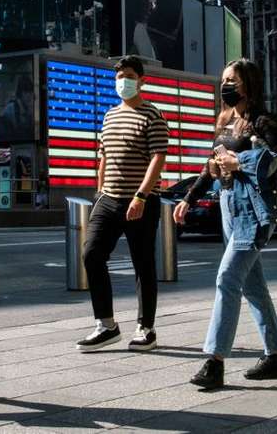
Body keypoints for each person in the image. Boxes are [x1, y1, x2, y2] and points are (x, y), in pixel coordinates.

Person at [175, 59, 277, 390]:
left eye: (233, 81)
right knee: (253, 286)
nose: (226, 86)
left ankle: (214, 362)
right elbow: (209, 166)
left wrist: (238, 160)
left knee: (227, 278)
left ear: (249, 85)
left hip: (252, 210)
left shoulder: (264, 121)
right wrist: (189, 198)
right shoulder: (226, 122)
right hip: (228, 205)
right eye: (224, 80)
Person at [75, 55, 169, 353]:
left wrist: (141, 195)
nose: (122, 81)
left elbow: (158, 157)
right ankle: (106, 324)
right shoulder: (110, 115)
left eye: (128, 75)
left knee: (143, 264)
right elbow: (103, 155)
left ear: (142, 80)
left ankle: (146, 328)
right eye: (118, 77)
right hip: (109, 199)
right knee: (91, 255)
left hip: (141, 200)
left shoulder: (153, 114)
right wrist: (100, 190)